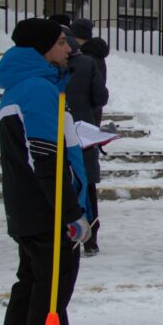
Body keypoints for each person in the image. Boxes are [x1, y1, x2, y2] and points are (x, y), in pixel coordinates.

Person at [0, 19, 93, 325]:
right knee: (50, 301)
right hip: (47, 215)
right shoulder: (37, 89)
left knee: (29, 291)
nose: (68, 48)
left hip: (29, 212)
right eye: (60, 42)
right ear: (40, 50)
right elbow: (44, 158)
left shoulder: (25, 86)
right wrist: (72, 214)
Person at [62, 23, 109, 256]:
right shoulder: (88, 62)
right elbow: (101, 96)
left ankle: (63, 236)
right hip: (84, 131)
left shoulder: (47, 63)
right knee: (86, 185)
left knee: (61, 182)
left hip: (57, 130)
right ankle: (91, 238)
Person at [69, 18, 110, 124]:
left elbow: (99, 94)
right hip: (92, 115)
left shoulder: (86, 59)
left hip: (83, 116)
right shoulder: (96, 55)